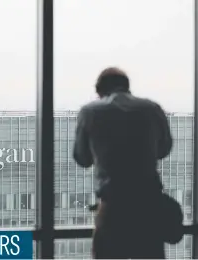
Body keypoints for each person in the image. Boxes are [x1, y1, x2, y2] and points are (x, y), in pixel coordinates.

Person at [73, 67, 173, 259]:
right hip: (148, 206)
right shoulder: (152, 109)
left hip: (113, 206)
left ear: (99, 90)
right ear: (127, 86)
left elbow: (82, 158)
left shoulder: (90, 112)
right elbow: (164, 149)